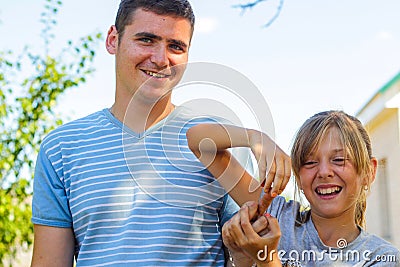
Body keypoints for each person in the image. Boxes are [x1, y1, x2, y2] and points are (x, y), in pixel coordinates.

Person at [30, 1, 291, 266]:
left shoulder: (220, 141)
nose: (160, 59)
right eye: (146, 40)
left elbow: (245, 257)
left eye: (175, 46)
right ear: (113, 40)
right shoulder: (61, 148)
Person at [221, 110, 400, 266]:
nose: (323, 172)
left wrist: (267, 259)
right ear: (298, 176)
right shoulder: (277, 215)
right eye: (310, 162)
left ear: (369, 171)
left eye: (338, 160)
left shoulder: (382, 258)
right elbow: (200, 142)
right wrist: (254, 137)